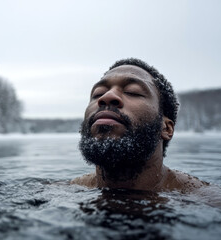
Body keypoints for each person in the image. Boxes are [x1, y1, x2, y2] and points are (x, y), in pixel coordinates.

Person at [71, 58, 208, 192]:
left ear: (166, 128)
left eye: (132, 92)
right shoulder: (66, 190)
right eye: (98, 94)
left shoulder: (214, 202)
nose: (106, 97)